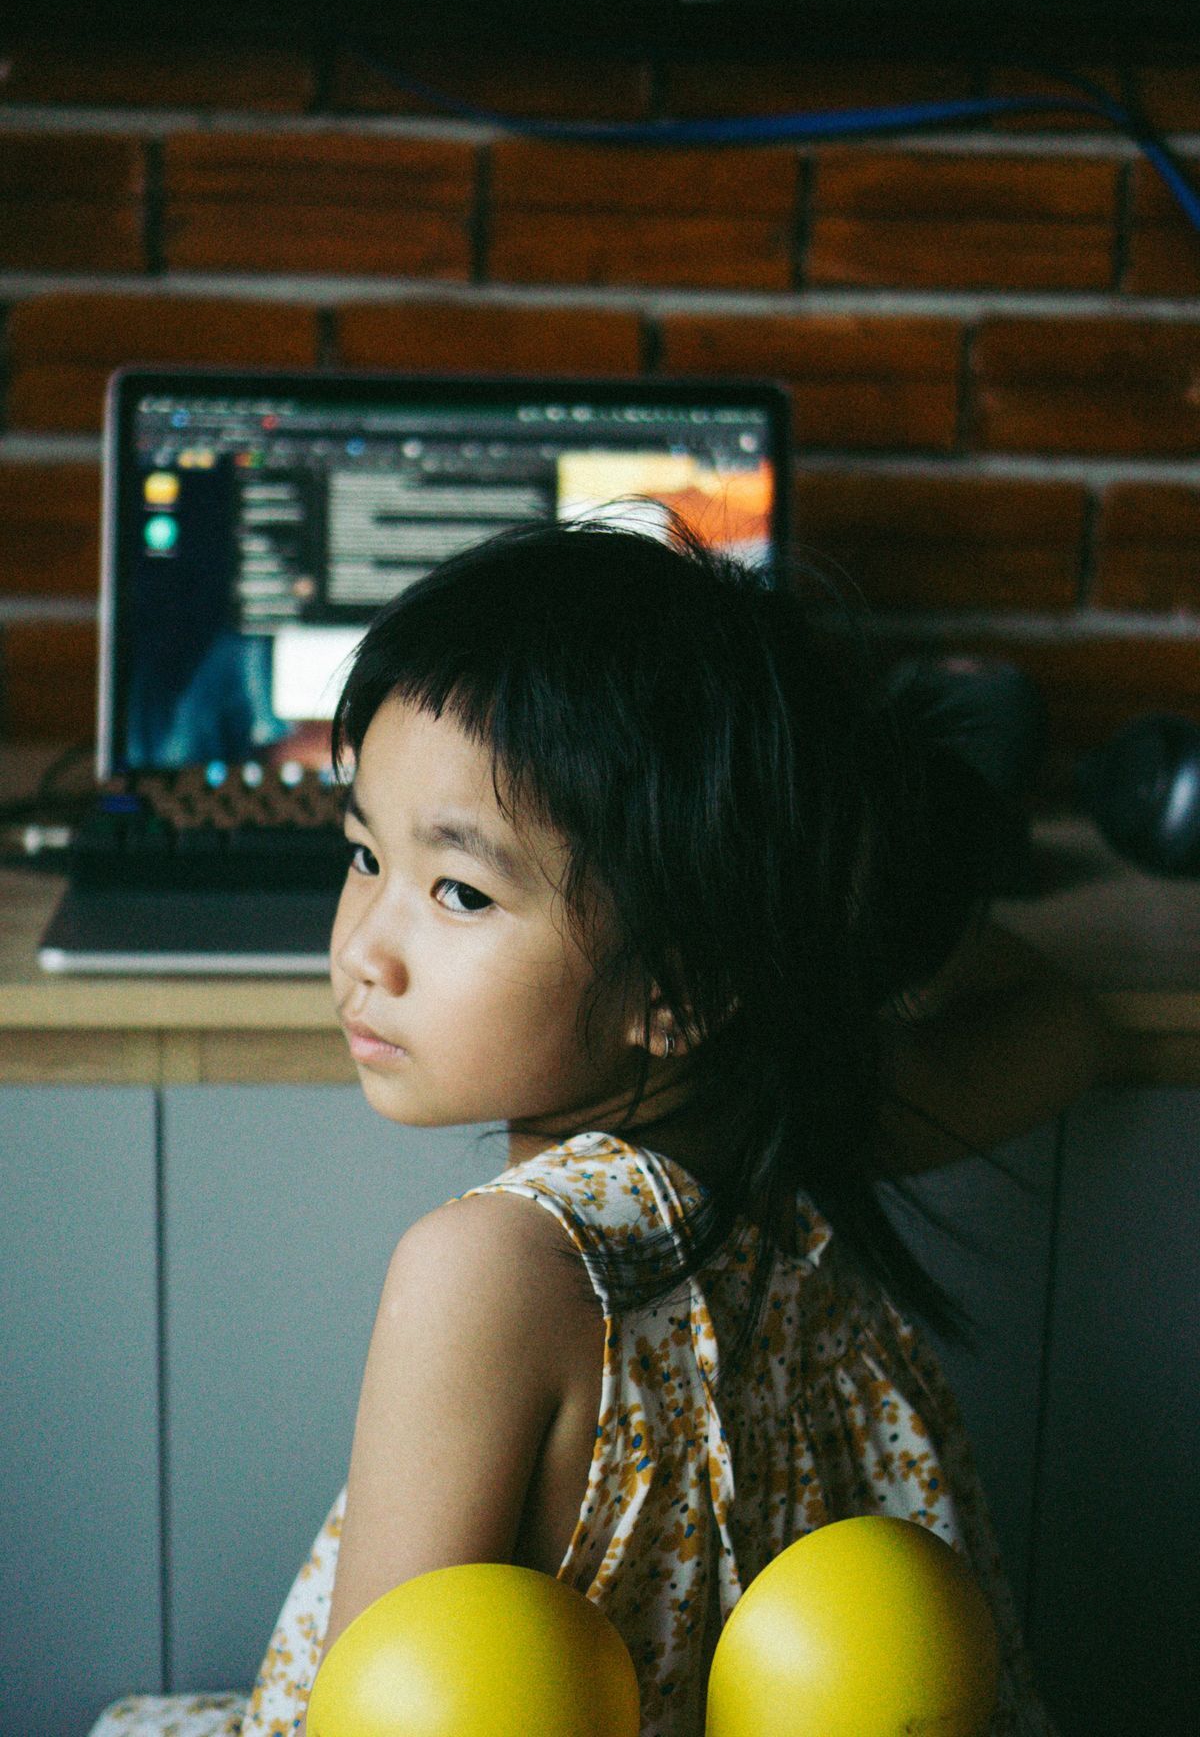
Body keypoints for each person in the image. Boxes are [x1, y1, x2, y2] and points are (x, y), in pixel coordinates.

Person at [91, 518, 1114, 1737]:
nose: (365, 948)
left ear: (680, 985)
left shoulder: (490, 1273)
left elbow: (378, 1715)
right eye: (363, 853)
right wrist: (830, 942)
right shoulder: (814, 1138)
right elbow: (1063, 1022)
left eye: (459, 891)